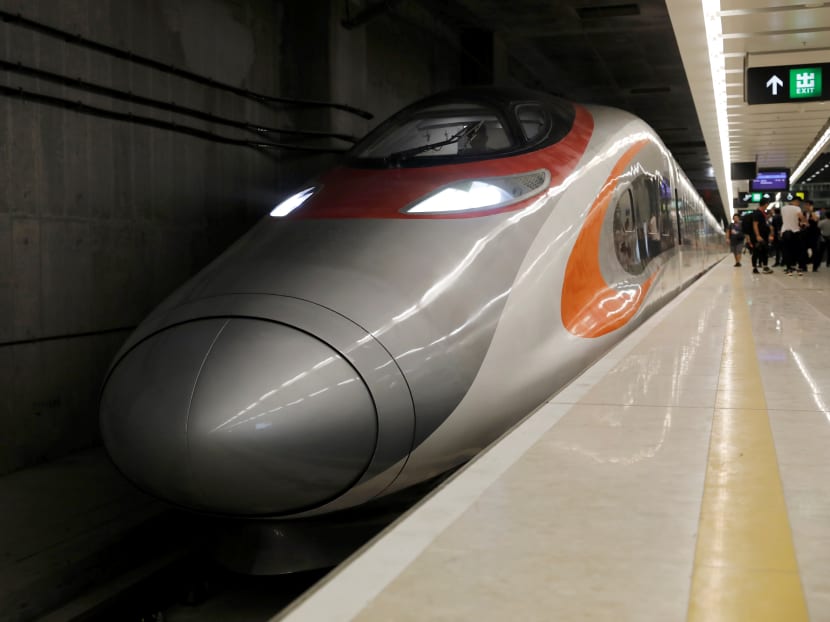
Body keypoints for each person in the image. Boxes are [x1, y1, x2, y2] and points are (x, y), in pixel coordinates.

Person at [780, 195, 804, 275]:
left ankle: (789, 269)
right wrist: (804, 221)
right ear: (796, 201)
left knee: (787, 251)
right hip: (795, 232)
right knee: (797, 251)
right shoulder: (797, 208)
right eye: (798, 202)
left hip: (785, 232)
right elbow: (801, 217)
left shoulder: (783, 208)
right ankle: (798, 268)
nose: (799, 204)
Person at [751, 197, 774, 273]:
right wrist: (757, 235)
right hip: (759, 236)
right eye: (767, 204)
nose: (767, 206)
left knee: (764, 251)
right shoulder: (757, 213)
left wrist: (769, 216)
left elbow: (763, 221)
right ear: (766, 204)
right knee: (756, 251)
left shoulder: (762, 213)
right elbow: (755, 224)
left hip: (764, 235)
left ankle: (765, 267)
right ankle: (755, 268)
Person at [803, 199, 821, 271]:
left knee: (815, 250)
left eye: (807, 205)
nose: (806, 206)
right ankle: (804, 266)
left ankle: (815, 267)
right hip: (805, 234)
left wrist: (811, 212)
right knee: (804, 250)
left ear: (811, 206)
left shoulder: (816, 212)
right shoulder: (804, 213)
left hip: (814, 234)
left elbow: (816, 219)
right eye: (805, 205)